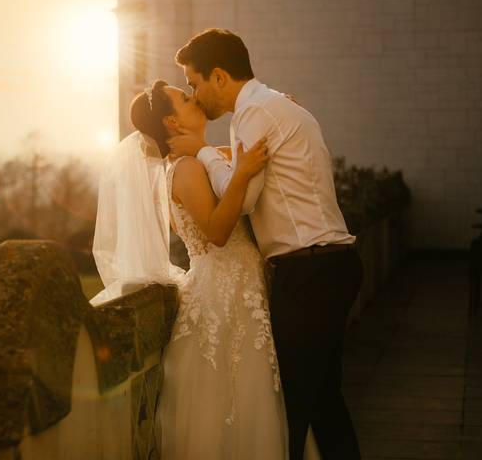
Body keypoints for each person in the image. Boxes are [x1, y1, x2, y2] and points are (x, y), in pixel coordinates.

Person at [169, 28, 362, 460]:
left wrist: (201, 151)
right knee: (324, 404)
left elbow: (244, 200)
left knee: (290, 411)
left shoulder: (255, 114)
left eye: (194, 83)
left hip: (311, 271)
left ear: (219, 76)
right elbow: (241, 173)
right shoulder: (269, 106)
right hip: (325, 267)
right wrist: (216, 155)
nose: (194, 94)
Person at [92, 79, 296, 458]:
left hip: (240, 292)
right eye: (186, 99)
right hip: (224, 299)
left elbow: (240, 155)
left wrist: (280, 113)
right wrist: (243, 171)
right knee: (234, 404)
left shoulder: (198, 158)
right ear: (171, 121)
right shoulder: (185, 169)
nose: (196, 100)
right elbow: (218, 232)